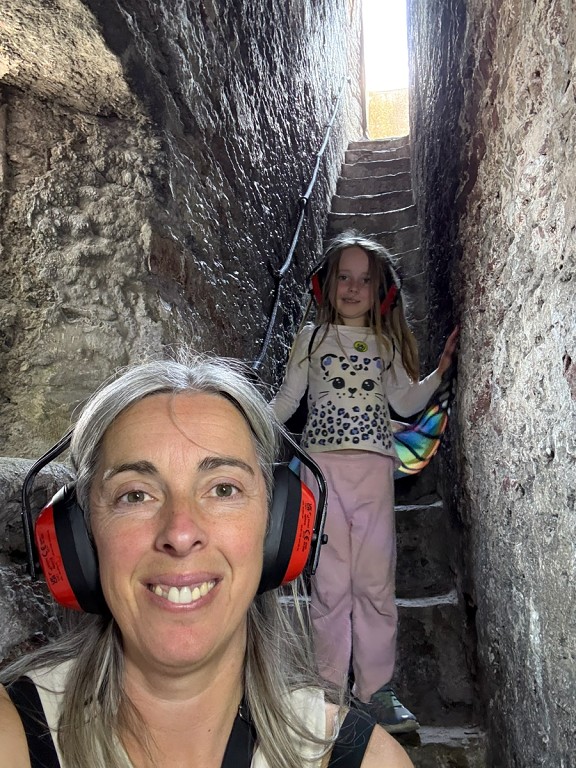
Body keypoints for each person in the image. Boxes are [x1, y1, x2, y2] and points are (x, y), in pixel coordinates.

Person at [0, 355, 414, 768]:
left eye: (223, 490)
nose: (181, 534)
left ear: (277, 530)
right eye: (135, 495)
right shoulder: (11, 733)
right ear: (80, 538)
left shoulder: (369, 760)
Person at [271, 230, 459, 733]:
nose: (353, 288)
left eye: (365, 280)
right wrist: (247, 421)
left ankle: (376, 691)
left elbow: (405, 402)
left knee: (375, 582)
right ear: (326, 284)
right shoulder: (310, 339)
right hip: (322, 471)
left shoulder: (384, 345)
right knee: (330, 584)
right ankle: (329, 689)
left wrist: (439, 372)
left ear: (380, 293)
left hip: (375, 471)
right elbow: (287, 400)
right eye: (344, 278)